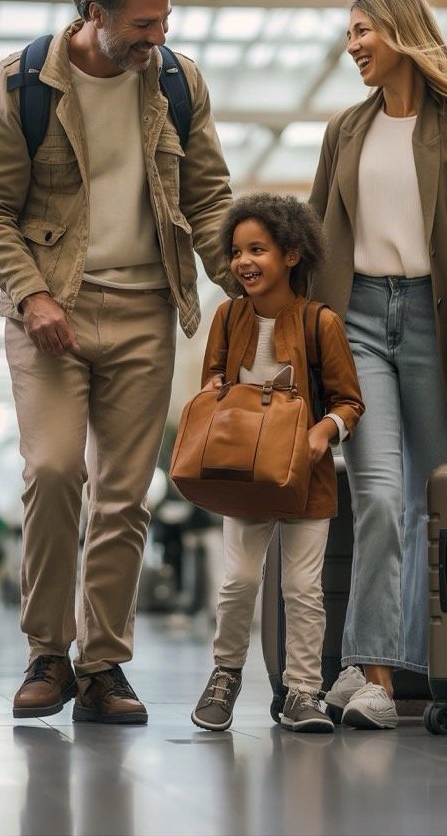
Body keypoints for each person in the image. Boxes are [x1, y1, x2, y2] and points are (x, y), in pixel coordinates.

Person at [0, 0, 237, 724]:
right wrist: (32, 296)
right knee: (53, 470)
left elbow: (209, 198)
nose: (159, 37)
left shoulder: (178, 82)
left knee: (125, 494)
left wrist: (248, 284)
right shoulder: (23, 85)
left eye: (164, 21)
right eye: (144, 25)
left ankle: (103, 665)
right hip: (52, 309)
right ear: (94, 13)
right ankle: (47, 652)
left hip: (149, 305)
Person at [309, 0, 447, 730]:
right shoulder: (345, 129)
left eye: (362, 30)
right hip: (360, 319)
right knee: (372, 493)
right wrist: (303, 333)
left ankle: (389, 666)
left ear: (401, 33)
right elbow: (317, 240)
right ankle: (374, 672)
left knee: (428, 502)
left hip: (434, 323)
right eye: (348, 34)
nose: (352, 46)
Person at [190, 194, 364, 734]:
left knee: (302, 590)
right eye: (238, 251)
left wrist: (323, 431)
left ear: (291, 254)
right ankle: (225, 674)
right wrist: (217, 392)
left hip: (305, 479)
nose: (244, 262)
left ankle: (302, 692)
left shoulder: (321, 323)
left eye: (257, 249)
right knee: (239, 580)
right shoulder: (227, 317)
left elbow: (350, 402)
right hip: (240, 475)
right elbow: (210, 385)